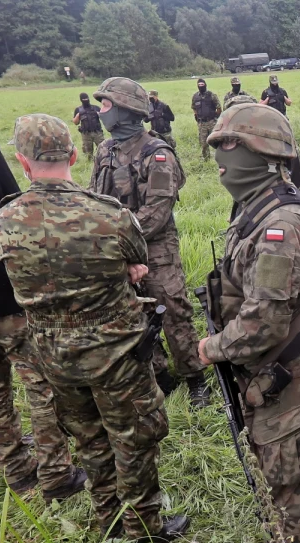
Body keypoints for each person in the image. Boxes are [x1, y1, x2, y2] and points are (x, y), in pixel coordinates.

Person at [0, 114, 189, 543]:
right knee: (133, 437)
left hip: (53, 354)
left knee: (88, 438)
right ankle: (144, 529)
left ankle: (108, 519)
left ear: (23, 163)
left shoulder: (6, 217)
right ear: (74, 155)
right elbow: (139, 262)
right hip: (115, 351)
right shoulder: (108, 214)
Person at [201, 103, 300, 543]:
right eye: (218, 145)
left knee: (282, 462)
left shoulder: (279, 228)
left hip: (279, 358)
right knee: (299, 438)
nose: (220, 157)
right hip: (270, 355)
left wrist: (211, 347)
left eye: (230, 145)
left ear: (264, 154)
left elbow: (264, 320)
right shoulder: (258, 205)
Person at [0, 131, 86, 501]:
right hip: (9, 297)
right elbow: (16, 211)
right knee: (42, 386)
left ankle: (16, 471)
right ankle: (56, 474)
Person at [91, 76, 210, 407]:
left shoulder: (156, 153)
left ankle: (194, 376)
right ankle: (160, 375)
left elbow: (156, 215)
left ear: (125, 110)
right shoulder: (104, 150)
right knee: (137, 313)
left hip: (156, 250)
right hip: (119, 250)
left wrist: (121, 245)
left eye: (106, 105)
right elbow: (94, 201)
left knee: (172, 310)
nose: (101, 111)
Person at [222, 93, 300, 351]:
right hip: (263, 204)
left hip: (275, 206)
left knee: (290, 286)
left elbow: (293, 177)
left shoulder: (273, 147)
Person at [190, 78, 221, 161]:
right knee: (203, 143)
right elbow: (194, 107)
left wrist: (215, 118)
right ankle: (206, 159)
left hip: (212, 122)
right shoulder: (195, 96)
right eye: (199, 85)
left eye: (202, 85)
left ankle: (221, 158)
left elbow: (218, 107)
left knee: (217, 141)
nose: (201, 86)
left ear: (205, 85)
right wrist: (196, 115)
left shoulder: (211, 95)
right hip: (201, 123)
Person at [72, 92, 104, 157]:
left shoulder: (96, 108)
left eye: (86, 98)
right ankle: (90, 164)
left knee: (103, 149)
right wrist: (78, 116)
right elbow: (75, 122)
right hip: (86, 134)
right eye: (84, 99)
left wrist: (100, 115)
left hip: (97, 133)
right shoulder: (78, 110)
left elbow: (105, 118)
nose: (85, 100)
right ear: (81, 100)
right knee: (88, 153)